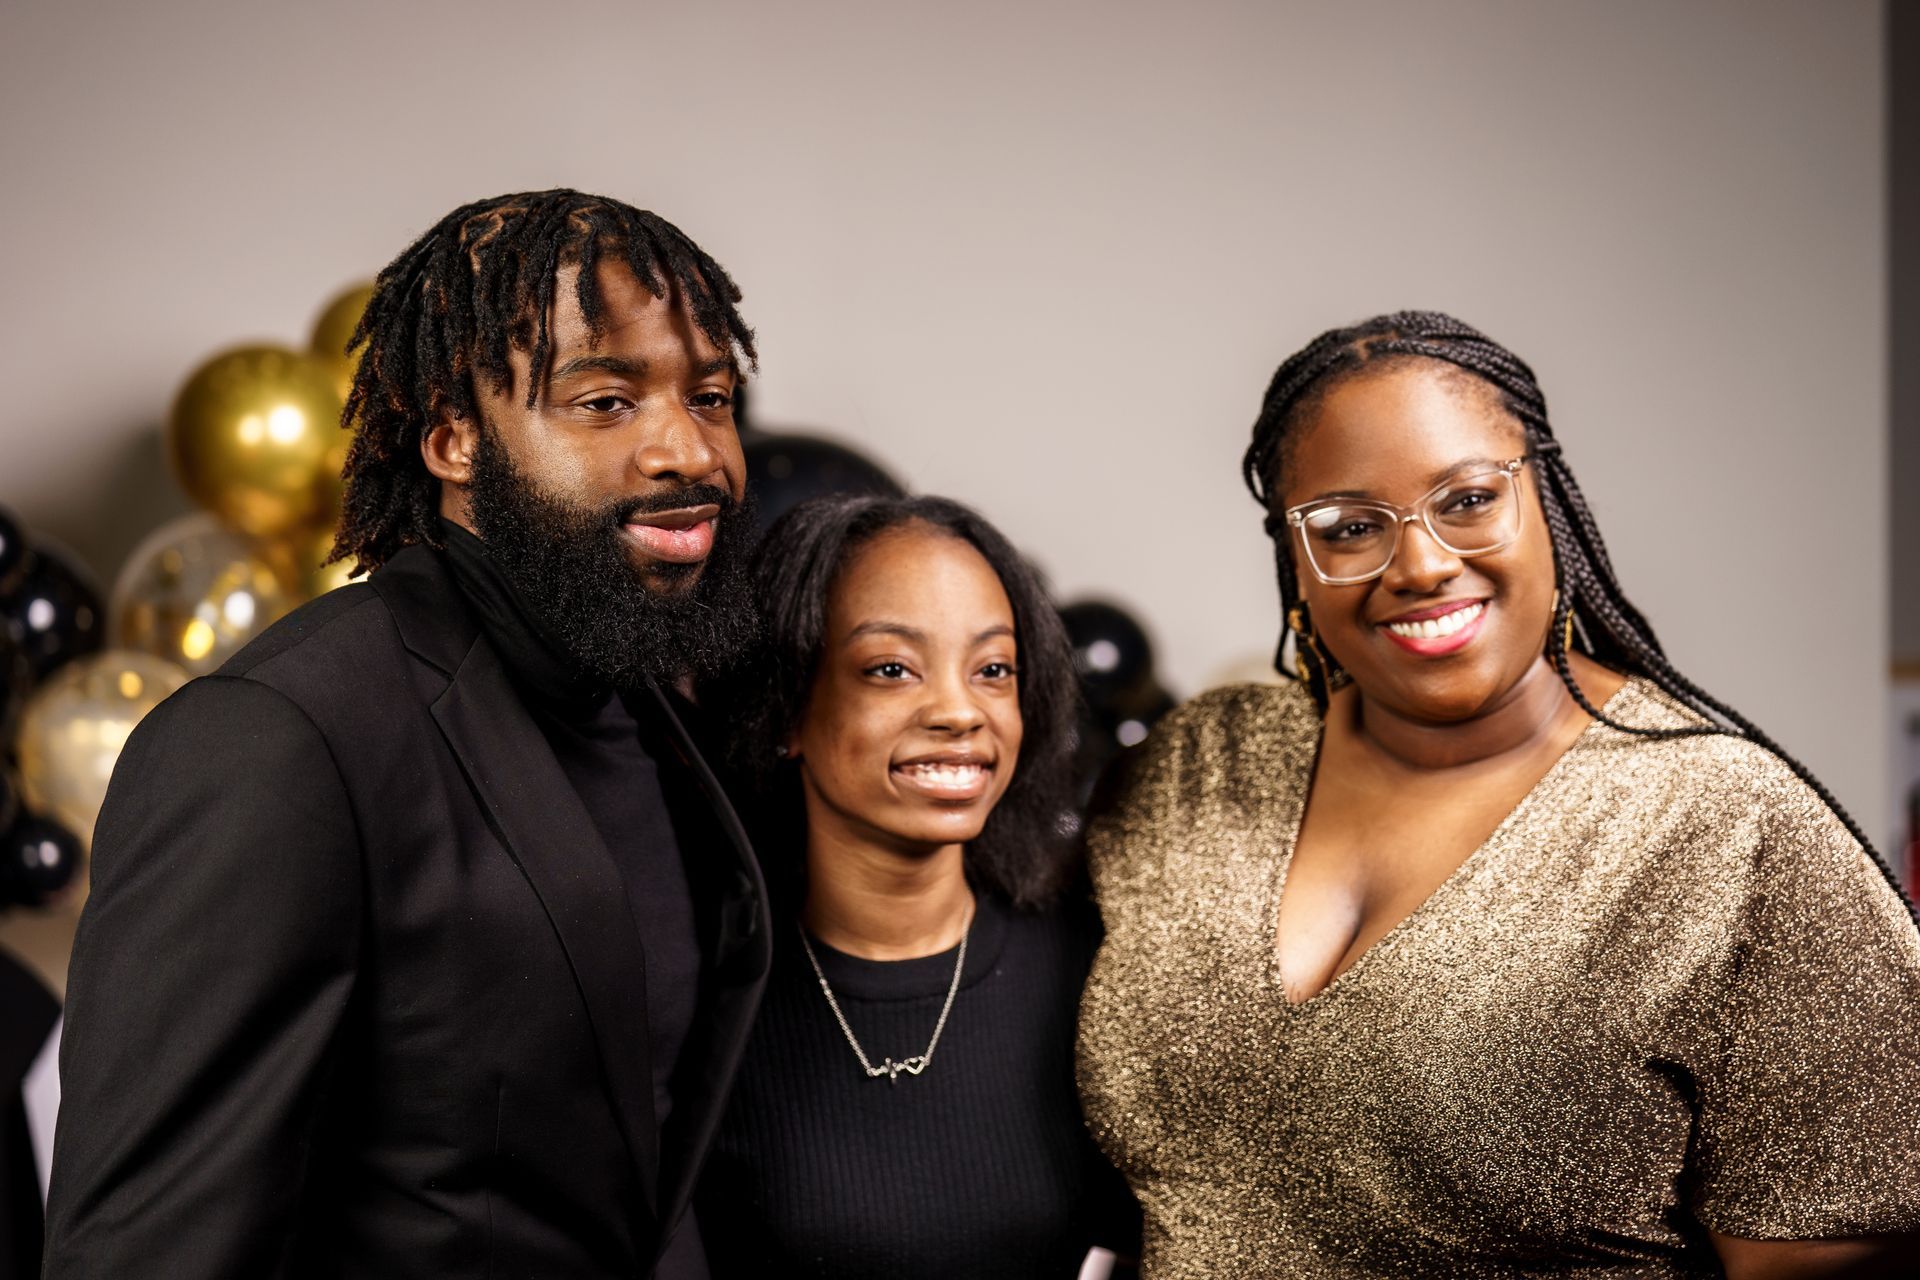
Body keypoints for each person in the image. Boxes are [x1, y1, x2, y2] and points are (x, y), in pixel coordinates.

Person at [1076, 311, 1920, 1278]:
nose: (1423, 564)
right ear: (1293, 558)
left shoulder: (1726, 829)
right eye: (1350, 527)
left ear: (1548, 500)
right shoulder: (1201, 765)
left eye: (1469, 500)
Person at [44, 190, 771, 1278]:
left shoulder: (654, 705)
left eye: (709, 396)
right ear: (454, 437)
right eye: (606, 400)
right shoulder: (276, 741)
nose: (690, 450)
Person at [696, 494, 1138, 1278]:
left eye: (993, 670)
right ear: (788, 709)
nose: (959, 711)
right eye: (891, 669)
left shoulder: (1096, 972)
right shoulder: (696, 993)